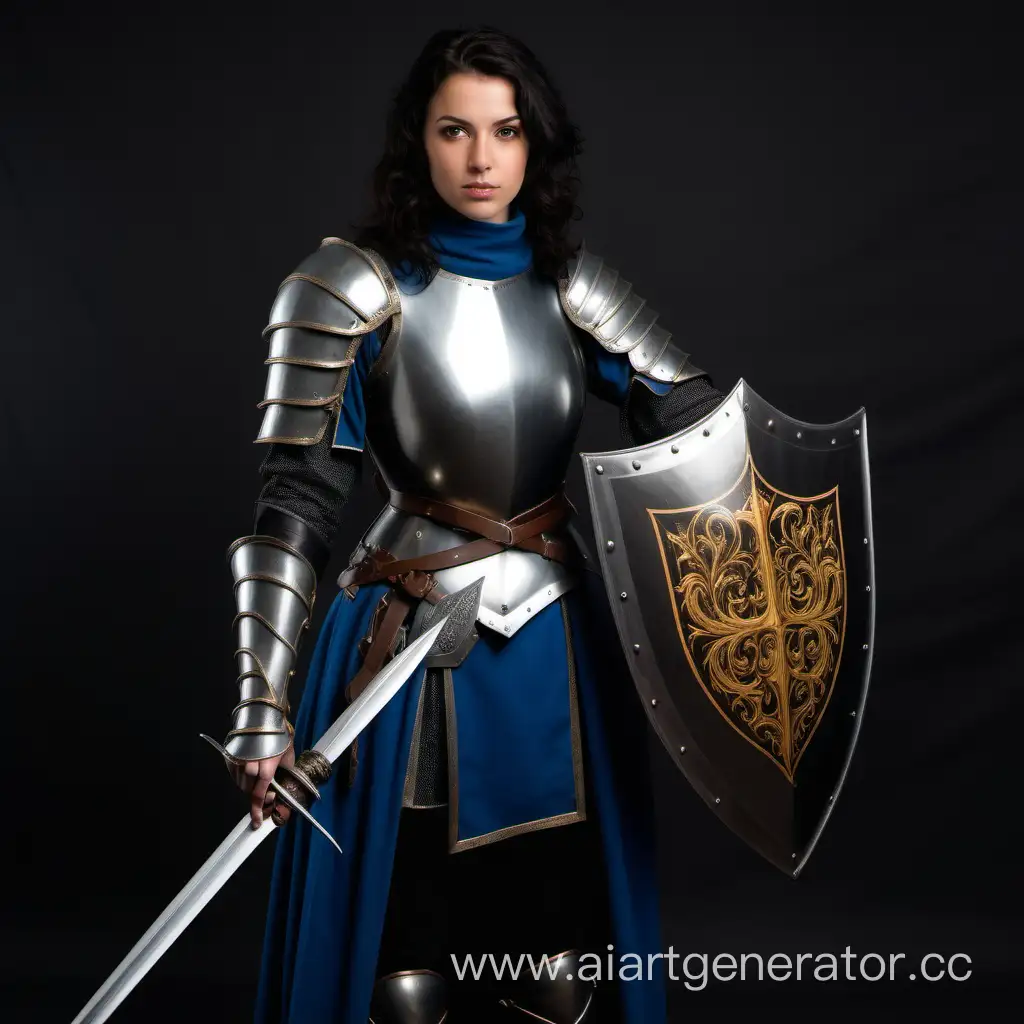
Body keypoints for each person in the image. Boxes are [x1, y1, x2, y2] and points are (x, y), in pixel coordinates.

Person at [220, 25, 725, 1024]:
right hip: (403, 641)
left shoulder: (575, 290)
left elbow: (702, 439)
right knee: (402, 959)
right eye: (456, 130)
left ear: (534, 144)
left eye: (504, 131)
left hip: (556, 642)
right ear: (421, 140)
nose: (482, 158)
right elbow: (296, 508)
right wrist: (263, 706)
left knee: (555, 951)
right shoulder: (347, 291)